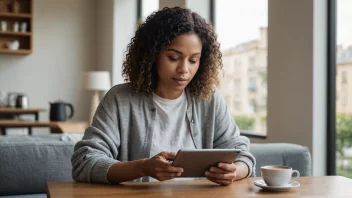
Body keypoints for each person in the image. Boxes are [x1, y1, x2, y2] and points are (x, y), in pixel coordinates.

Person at [72, 7, 256, 186]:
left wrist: (236, 171)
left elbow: (243, 155)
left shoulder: (210, 99)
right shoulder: (120, 99)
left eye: (193, 60)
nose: (184, 69)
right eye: (173, 58)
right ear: (152, 55)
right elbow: (85, 162)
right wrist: (143, 168)